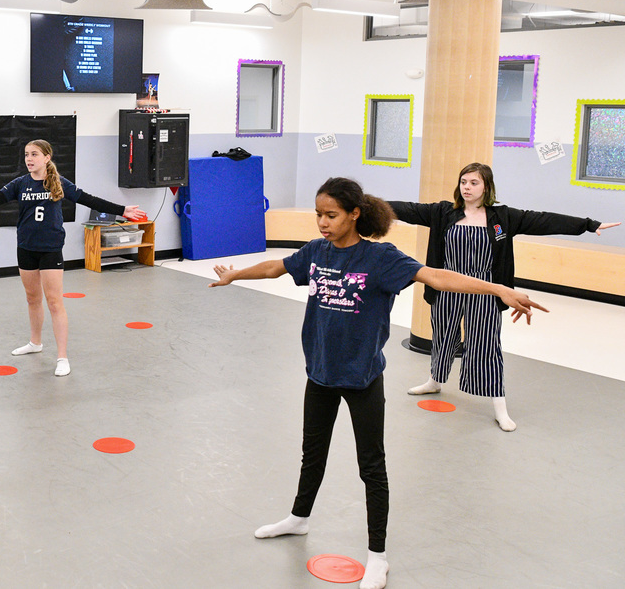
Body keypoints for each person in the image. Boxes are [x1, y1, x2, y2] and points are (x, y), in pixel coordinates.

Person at [208, 177, 545, 589]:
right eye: (318, 214)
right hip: (320, 374)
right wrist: (236, 274)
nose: (322, 223)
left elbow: (436, 276)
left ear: (354, 214)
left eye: (331, 215)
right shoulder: (316, 252)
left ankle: (377, 556)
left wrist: (496, 288)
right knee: (311, 454)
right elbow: (277, 266)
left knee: (372, 467)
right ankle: (298, 519)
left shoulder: (380, 258)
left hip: (362, 378)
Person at [388, 162, 618, 431]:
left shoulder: (502, 217)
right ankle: (435, 381)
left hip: (487, 292)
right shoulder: (442, 212)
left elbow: (544, 220)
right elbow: (404, 209)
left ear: (486, 186)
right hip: (448, 287)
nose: (467, 187)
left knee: (487, 345)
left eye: (474, 183)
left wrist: (589, 225)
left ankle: (499, 406)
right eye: (464, 182)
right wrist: (361, 203)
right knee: (443, 335)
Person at [0, 139, 145, 377]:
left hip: (50, 248)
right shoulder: (19, 184)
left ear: (47, 157)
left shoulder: (58, 183)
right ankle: (35, 343)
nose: (29, 159)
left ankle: (62, 357)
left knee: (55, 302)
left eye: (34, 154)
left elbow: (88, 199)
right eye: (26, 154)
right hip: (26, 247)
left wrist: (122, 210)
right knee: (32, 298)